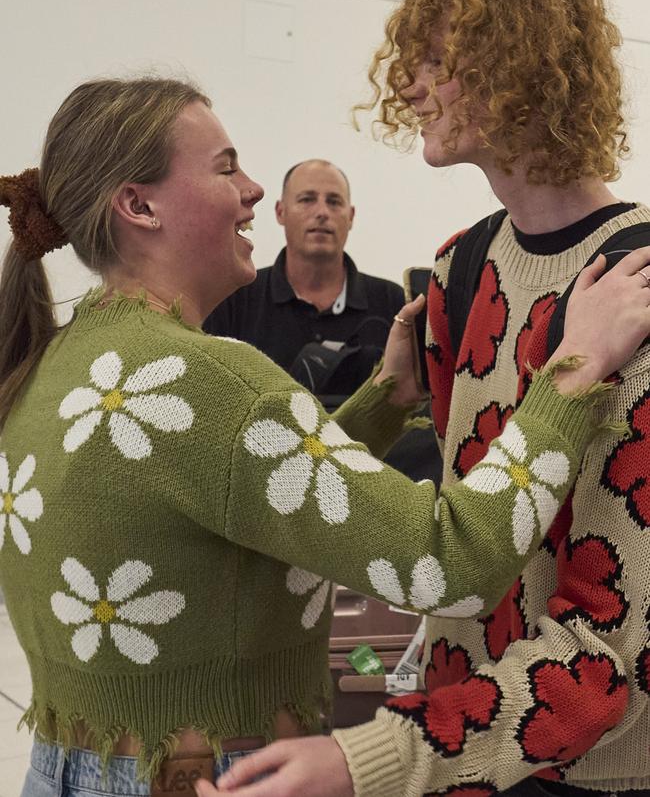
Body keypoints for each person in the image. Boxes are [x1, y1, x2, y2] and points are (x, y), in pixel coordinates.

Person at [0, 79, 647, 797]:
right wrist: (572, 373)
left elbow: (235, 492)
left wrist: (382, 401)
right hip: (209, 776)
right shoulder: (204, 379)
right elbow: (448, 563)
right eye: (224, 167)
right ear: (139, 204)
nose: (253, 191)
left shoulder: (53, 364)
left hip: (67, 769)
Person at [204, 0, 650, 797]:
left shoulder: (632, 284)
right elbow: (463, 533)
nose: (410, 84)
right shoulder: (457, 273)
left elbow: (610, 644)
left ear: (520, 66)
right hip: (466, 740)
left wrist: (370, 759)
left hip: (594, 765)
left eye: (439, 59)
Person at [204, 158, 440, 482]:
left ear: (351, 217)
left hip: (373, 487)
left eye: (334, 201)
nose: (321, 212)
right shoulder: (233, 299)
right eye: (307, 199)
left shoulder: (398, 307)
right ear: (280, 212)